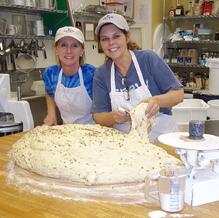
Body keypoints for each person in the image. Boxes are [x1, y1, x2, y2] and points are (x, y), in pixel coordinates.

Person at [91, 13, 184, 142]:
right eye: (104, 39)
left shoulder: (148, 59)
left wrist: (157, 100)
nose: (111, 43)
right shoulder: (102, 73)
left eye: (116, 36)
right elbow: (98, 116)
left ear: (127, 36)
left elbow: (178, 94)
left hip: (161, 139)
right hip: (126, 143)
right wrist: (114, 117)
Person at [42, 26, 96, 125]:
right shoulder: (51, 74)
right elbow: (49, 92)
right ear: (56, 50)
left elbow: (105, 106)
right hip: (66, 133)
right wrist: (51, 113)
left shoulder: (91, 74)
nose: (69, 51)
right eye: (63, 45)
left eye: (74, 45)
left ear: (82, 51)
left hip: (93, 133)